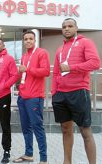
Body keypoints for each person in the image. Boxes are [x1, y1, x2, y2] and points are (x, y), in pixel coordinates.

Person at [51, 18, 100, 164]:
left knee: (85, 131)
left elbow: (95, 63)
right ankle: (67, 162)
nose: (67, 28)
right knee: (66, 130)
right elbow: (55, 73)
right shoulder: (60, 49)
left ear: (76, 28)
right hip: (60, 95)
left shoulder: (86, 42)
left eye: (70, 26)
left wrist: (72, 67)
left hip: (79, 91)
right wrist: (54, 92)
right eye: (64, 26)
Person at [13, 31, 50, 164]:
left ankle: (43, 159)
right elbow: (23, 74)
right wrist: (19, 86)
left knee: (37, 127)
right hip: (22, 97)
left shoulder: (41, 52)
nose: (28, 41)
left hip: (34, 97)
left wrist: (27, 70)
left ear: (35, 40)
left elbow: (46, 71)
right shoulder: (24, 56)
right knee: (25, 127)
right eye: (25, 39)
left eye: (30, 39)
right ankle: (28, 154)